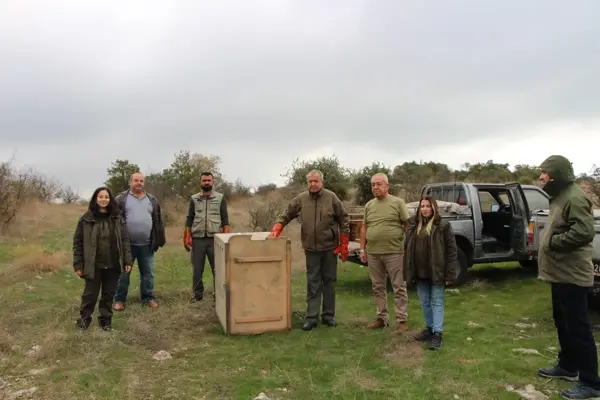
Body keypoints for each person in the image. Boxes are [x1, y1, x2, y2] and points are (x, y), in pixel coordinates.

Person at [535, 155, 600, 399]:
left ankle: (591, 382)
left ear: (557, 173)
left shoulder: (575, 197)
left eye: (544, 172)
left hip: (572, 274)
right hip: (559, 273)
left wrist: (553, 242)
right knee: (562, 322)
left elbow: (584, 232)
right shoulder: (560, 195)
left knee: (578, 328)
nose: (541, 177)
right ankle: (568, 366)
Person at [268, 170, 350, 331]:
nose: (313, 184)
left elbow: (344, 218)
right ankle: (311, 318)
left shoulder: (331, 197)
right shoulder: (301, 199)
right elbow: (287, 214)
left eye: (316, 181)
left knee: (329, 282)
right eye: (310, 181)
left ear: (322, 182)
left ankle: (328, 316)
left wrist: (344, 244)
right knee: (313, 283)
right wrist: (277, 228)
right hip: (311, 248)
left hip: (329, 248)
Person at [72, 186, 133, 331]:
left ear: (110, 199)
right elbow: (78, 243)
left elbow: (125, 240)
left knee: (108, 295)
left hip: (113, 263)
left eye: (106, 197)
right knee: (90, 295)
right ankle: (84, 321)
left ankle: (105, 322)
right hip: (93, 264)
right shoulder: (86, 219)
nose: (103, 199)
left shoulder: (118, 218)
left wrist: (127, 260)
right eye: (100, 197)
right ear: (95, 199)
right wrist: (78, 264)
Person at [404, 195, 459, 349]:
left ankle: (437, 333)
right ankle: (429, 329)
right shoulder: (414, 226)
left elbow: (451, 251)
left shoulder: (443, 226)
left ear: (434, 207)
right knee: (425, 302)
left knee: (437, 302)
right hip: (420, 272)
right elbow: (406, 248)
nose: (425, 209)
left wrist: (450, 273)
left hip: (437, 272)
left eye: (428, 206)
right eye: (422, 206)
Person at [359, 173, 411, 332]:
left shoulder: (398, 202)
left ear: (387, 186)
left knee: (399, 286)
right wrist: (362, 249)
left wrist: (401, 242)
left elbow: (406, 224)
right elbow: (364, 227)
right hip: (373, 253)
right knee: (377, 286)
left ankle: (401, 320)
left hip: (394, 252)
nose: (375, 187)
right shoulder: (369, 205)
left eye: (379, 184)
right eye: (373, 185)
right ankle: (381, 318)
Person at [113, 172, 166, 310]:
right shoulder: (121, 199)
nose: (139, 183)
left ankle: (148, 298)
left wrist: (160, 239)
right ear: (130, 182)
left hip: (147, 244)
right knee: (123, 274)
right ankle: (119, 300)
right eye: (136, 180)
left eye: (141, 181)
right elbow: (114, 221)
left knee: (148, 274)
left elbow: (158, 221)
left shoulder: (152, 200)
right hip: (127, 246)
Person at [183, 172, 231, 302]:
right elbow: (190, 218)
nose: (206, 183)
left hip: (215, 239)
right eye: (204, 180)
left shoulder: (220, 198)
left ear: (213, 182)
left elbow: (225, 219)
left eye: (209, 180)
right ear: (200, 182)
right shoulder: (194, 198)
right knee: (197, 269)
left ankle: (219, 294)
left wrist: (226, 238)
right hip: (197, 239)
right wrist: (186, 236)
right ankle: (197, 294)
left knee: (217, 269)